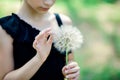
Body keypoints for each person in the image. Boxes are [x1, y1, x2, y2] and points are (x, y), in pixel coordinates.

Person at [0, 0, 80, 80]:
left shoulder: (64, 23)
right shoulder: (5, 29)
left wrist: (71, 71)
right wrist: (39, 59)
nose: (49, 3)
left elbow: (70, 60)